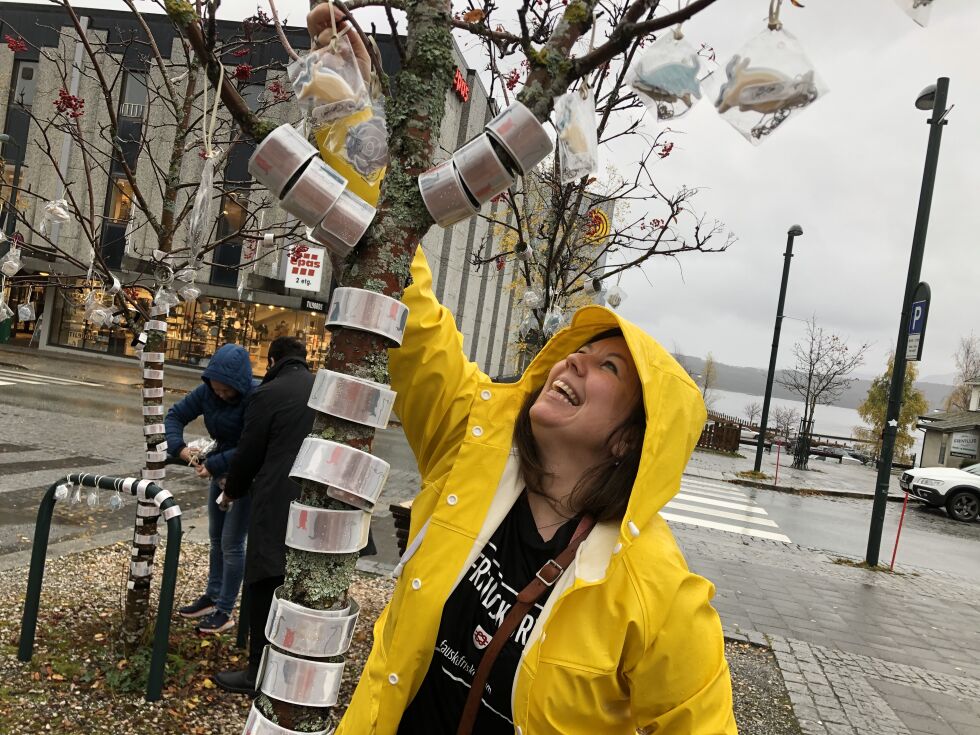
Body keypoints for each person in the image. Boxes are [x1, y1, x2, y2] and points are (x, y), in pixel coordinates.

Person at [333, 248, 737, 734]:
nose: (574, 362)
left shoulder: (658, 591)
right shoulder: (471, 447)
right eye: (579, 352)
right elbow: (417, 325)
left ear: (631, 438)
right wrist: (370, 174)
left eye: (608, 366)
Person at [212, 336, 316, 695]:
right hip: (318, 506)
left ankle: (258, 671)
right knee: (306, 589)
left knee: (263, 584)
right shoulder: (321, 388)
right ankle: (297, 670)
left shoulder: (267, 395)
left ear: (272, 360)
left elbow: (248, 454)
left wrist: (231, 491)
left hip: (275, 501)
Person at [166, 343, 254, 634]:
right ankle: (212, 596)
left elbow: (252, 446)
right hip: (219, 471)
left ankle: (225, 609)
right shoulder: (206, 391)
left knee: (231, 543)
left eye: (226, 390)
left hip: (244, 476)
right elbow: (175, 415)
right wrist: (179, 448)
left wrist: (215, 464)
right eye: (216, 388)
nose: (220, 394)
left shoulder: (253, 398)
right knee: (216, 538)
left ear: (238, 384)